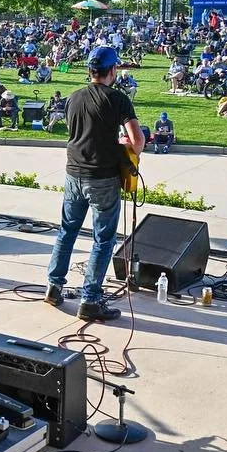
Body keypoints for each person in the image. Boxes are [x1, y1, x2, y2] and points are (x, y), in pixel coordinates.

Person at [44, 46, 143, 322]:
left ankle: (53, 287)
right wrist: (123, 145)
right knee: (103, 239)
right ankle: (89, 301)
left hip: (73, 173)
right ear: (113, 70)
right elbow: (138, 141)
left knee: (67, 231)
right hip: (102, 178)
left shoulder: (73, 98)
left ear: (90, 70)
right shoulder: (118, 99)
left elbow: (83, 133)